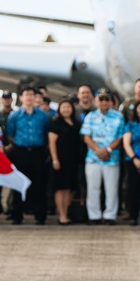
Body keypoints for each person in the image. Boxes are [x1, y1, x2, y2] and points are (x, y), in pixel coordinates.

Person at [4, 85, 51, 225]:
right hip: (20, 152)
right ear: (21, 98)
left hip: (37, 152)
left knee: (39, 184)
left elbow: (46, 132)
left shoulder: (42, 115)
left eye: (32, 95)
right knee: (19, 183)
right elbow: (10, 133)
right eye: (26, 95)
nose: (29, 97)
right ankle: (17, 215)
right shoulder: (15, 115)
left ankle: (40, 215)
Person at [81, 88, 125, 225]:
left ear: (111, 101)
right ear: (96, 101)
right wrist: (99, 151)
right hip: (93, 158)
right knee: (93, 188)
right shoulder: (90, 116)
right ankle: (94, 216)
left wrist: (108, 150)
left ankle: (110, 215)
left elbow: (120, 137)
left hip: (112, 158)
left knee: (111, 188)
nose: (104, 102)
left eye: (107, 99)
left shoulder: (118, 117)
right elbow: (86, 137)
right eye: (101, 99)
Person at [48, 96, 82, 225]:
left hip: (73, 161)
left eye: (68, 107)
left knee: (68, 188)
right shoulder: (56, 123)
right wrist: (55, 159)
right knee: (60, 188)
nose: (66, 109)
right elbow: (52, 143)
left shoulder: (76, 123)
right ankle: (61, 215)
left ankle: (66, 214)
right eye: (63, 107)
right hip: (60, 160)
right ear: (59, 109)